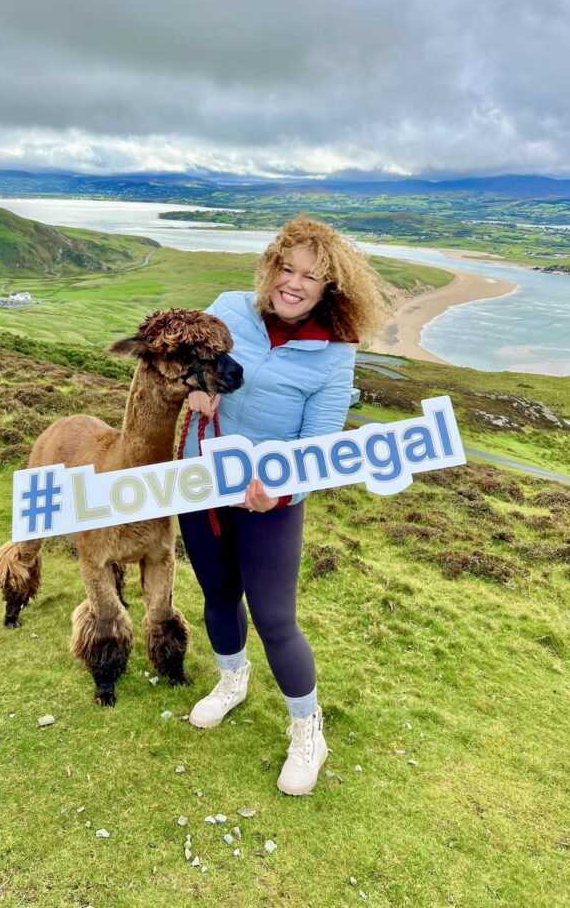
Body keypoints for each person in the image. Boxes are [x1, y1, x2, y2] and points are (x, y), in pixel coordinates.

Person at [178, 214, 384, 795]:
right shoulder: (228, 307)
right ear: (270, 267)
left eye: (310, 277)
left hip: (270, 499)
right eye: (286, 269)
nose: (293, 284)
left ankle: (307, 729)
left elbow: (317, 443)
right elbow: (187, 361)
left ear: (328, 288)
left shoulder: (334, 352)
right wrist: (196, 384)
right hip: (200, 481)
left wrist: (281, 491)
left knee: (275, 618)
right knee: (217, 594)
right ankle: (231, 680)